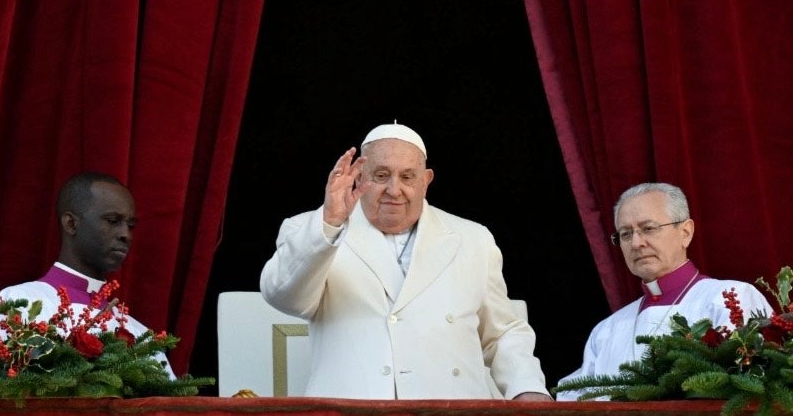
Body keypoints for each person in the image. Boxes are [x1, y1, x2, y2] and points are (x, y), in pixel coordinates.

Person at [260, 122, 552, 400]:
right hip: (352, 410)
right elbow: (283, 297)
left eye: (408, 177)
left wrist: (527, 387)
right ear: (359, 178)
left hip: (451, 410)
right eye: (381, 175)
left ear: (426, 181)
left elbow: (501, 332)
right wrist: (330, 222)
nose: (394, 189)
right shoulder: (313, 230)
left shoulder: (473, 239)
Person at [555, 182, 772, 401]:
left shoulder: (731, 297)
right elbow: (571, 399)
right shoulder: (606, 330)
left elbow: (748, 389)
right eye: (626, 234)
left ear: (685, 232)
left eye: (648, 228)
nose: (636, 243)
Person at [0, 172, 175, 378]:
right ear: (71, 224)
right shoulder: (19, 302)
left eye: (130, 225)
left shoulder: (140, 335)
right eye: (113, 220)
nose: (126, 234)